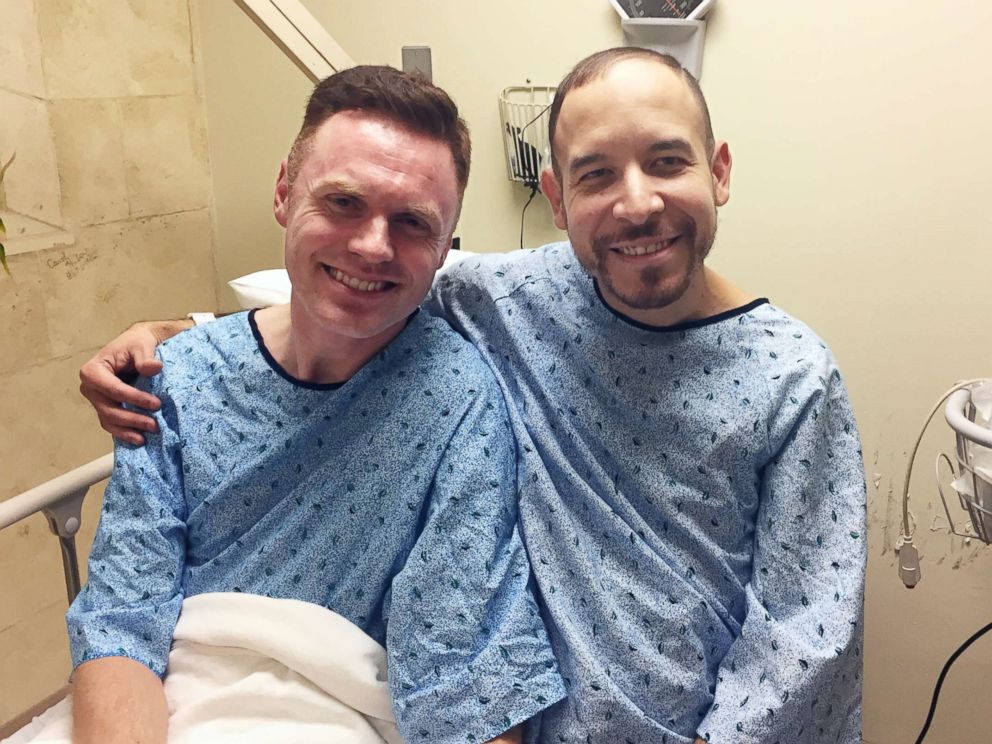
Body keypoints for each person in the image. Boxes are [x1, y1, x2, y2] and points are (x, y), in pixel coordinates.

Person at [79, 49, 866, 744]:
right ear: (556, 199)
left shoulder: (791, 377)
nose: (636, 203)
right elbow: (357, 288)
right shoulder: (505, 298)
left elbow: (807, 632)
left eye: (667, 161)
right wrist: (178, 335)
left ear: (718, 171)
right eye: (596, 174)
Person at [66, 65, 565, 744]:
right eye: (343, 202)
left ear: (446, 244)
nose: (372, 246)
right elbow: (121, 623)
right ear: (283, 191)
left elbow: (467, 681)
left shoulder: (459, 404)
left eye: (413, 223)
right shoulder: (175, 380)